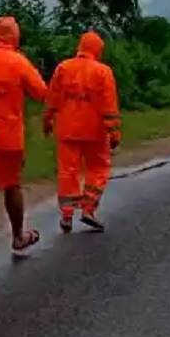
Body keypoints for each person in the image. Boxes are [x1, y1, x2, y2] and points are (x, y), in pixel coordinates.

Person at [0, 16, 49, 253]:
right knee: (12, 186)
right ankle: (18, 236)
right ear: (15, 37)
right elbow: (42, 93)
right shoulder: (19, 62)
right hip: (9, 138)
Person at [43, 30, 121, 233]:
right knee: (98, 168)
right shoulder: (103, 72)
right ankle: (88, 209)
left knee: (68, 172)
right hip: (94, 132)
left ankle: (67, 216)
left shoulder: (63, 68)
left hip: (67, 129)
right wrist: (114, 132)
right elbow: (109, 106)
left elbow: (53, 97)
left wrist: (47, 119)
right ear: (98, 50)